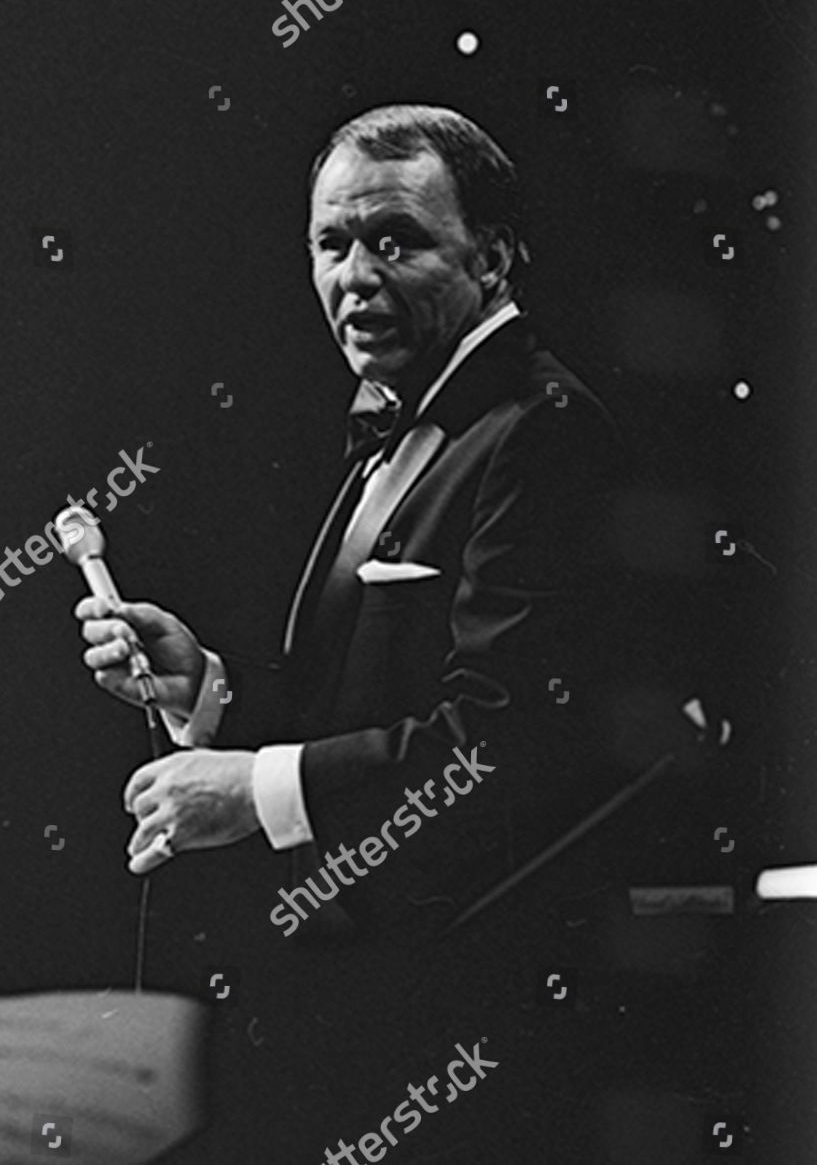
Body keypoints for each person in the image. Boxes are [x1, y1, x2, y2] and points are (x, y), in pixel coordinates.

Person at [75, 104, 678, 1162]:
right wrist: (205, 695)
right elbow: (365, 694)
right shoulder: (406, 416)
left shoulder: (541, 432)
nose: (355, 275)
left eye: (395, 240)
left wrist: (250, 794)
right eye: (332, 243)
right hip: (376, 1000)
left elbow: (502, 747)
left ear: (491, 257)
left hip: (473, 1023)